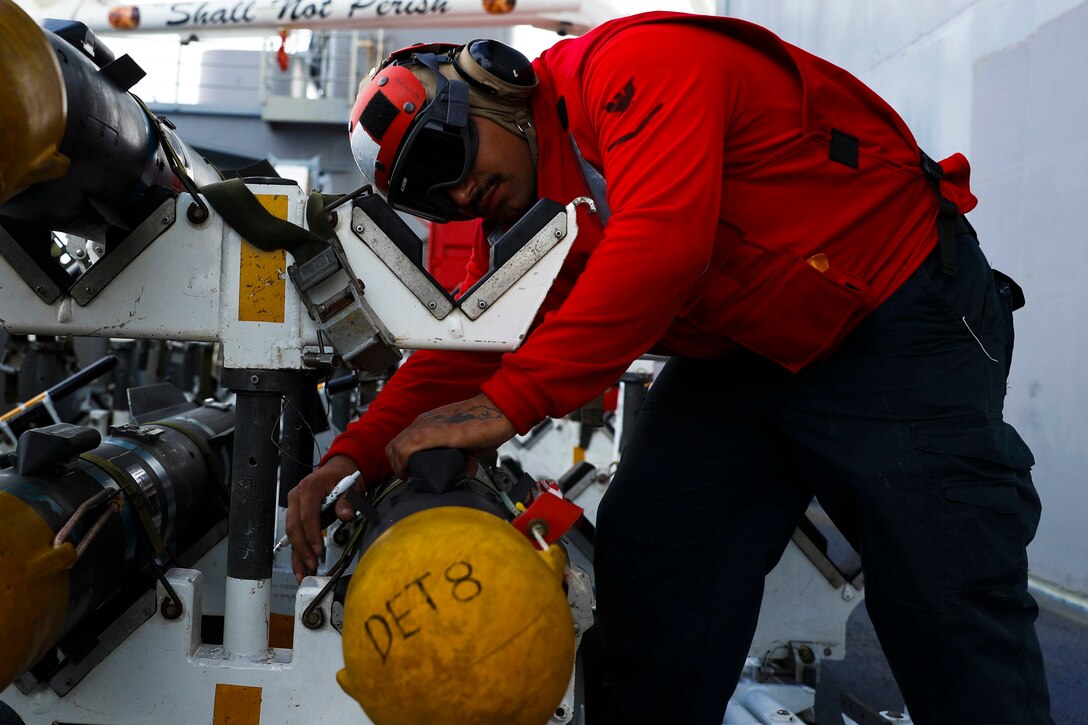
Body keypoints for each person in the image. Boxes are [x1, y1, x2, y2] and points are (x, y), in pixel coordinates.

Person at [285, 11, 1053, 724]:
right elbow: (481, 341)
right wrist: (353, 455)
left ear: (494, 83)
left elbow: (663, 247)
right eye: (437, 201)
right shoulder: (547, 205)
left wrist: (507, 404)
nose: (460, 192)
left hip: (895, 314)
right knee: (655, 575)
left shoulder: (640, 67)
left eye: (447, 158)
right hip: (743, 359)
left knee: (944, 598)